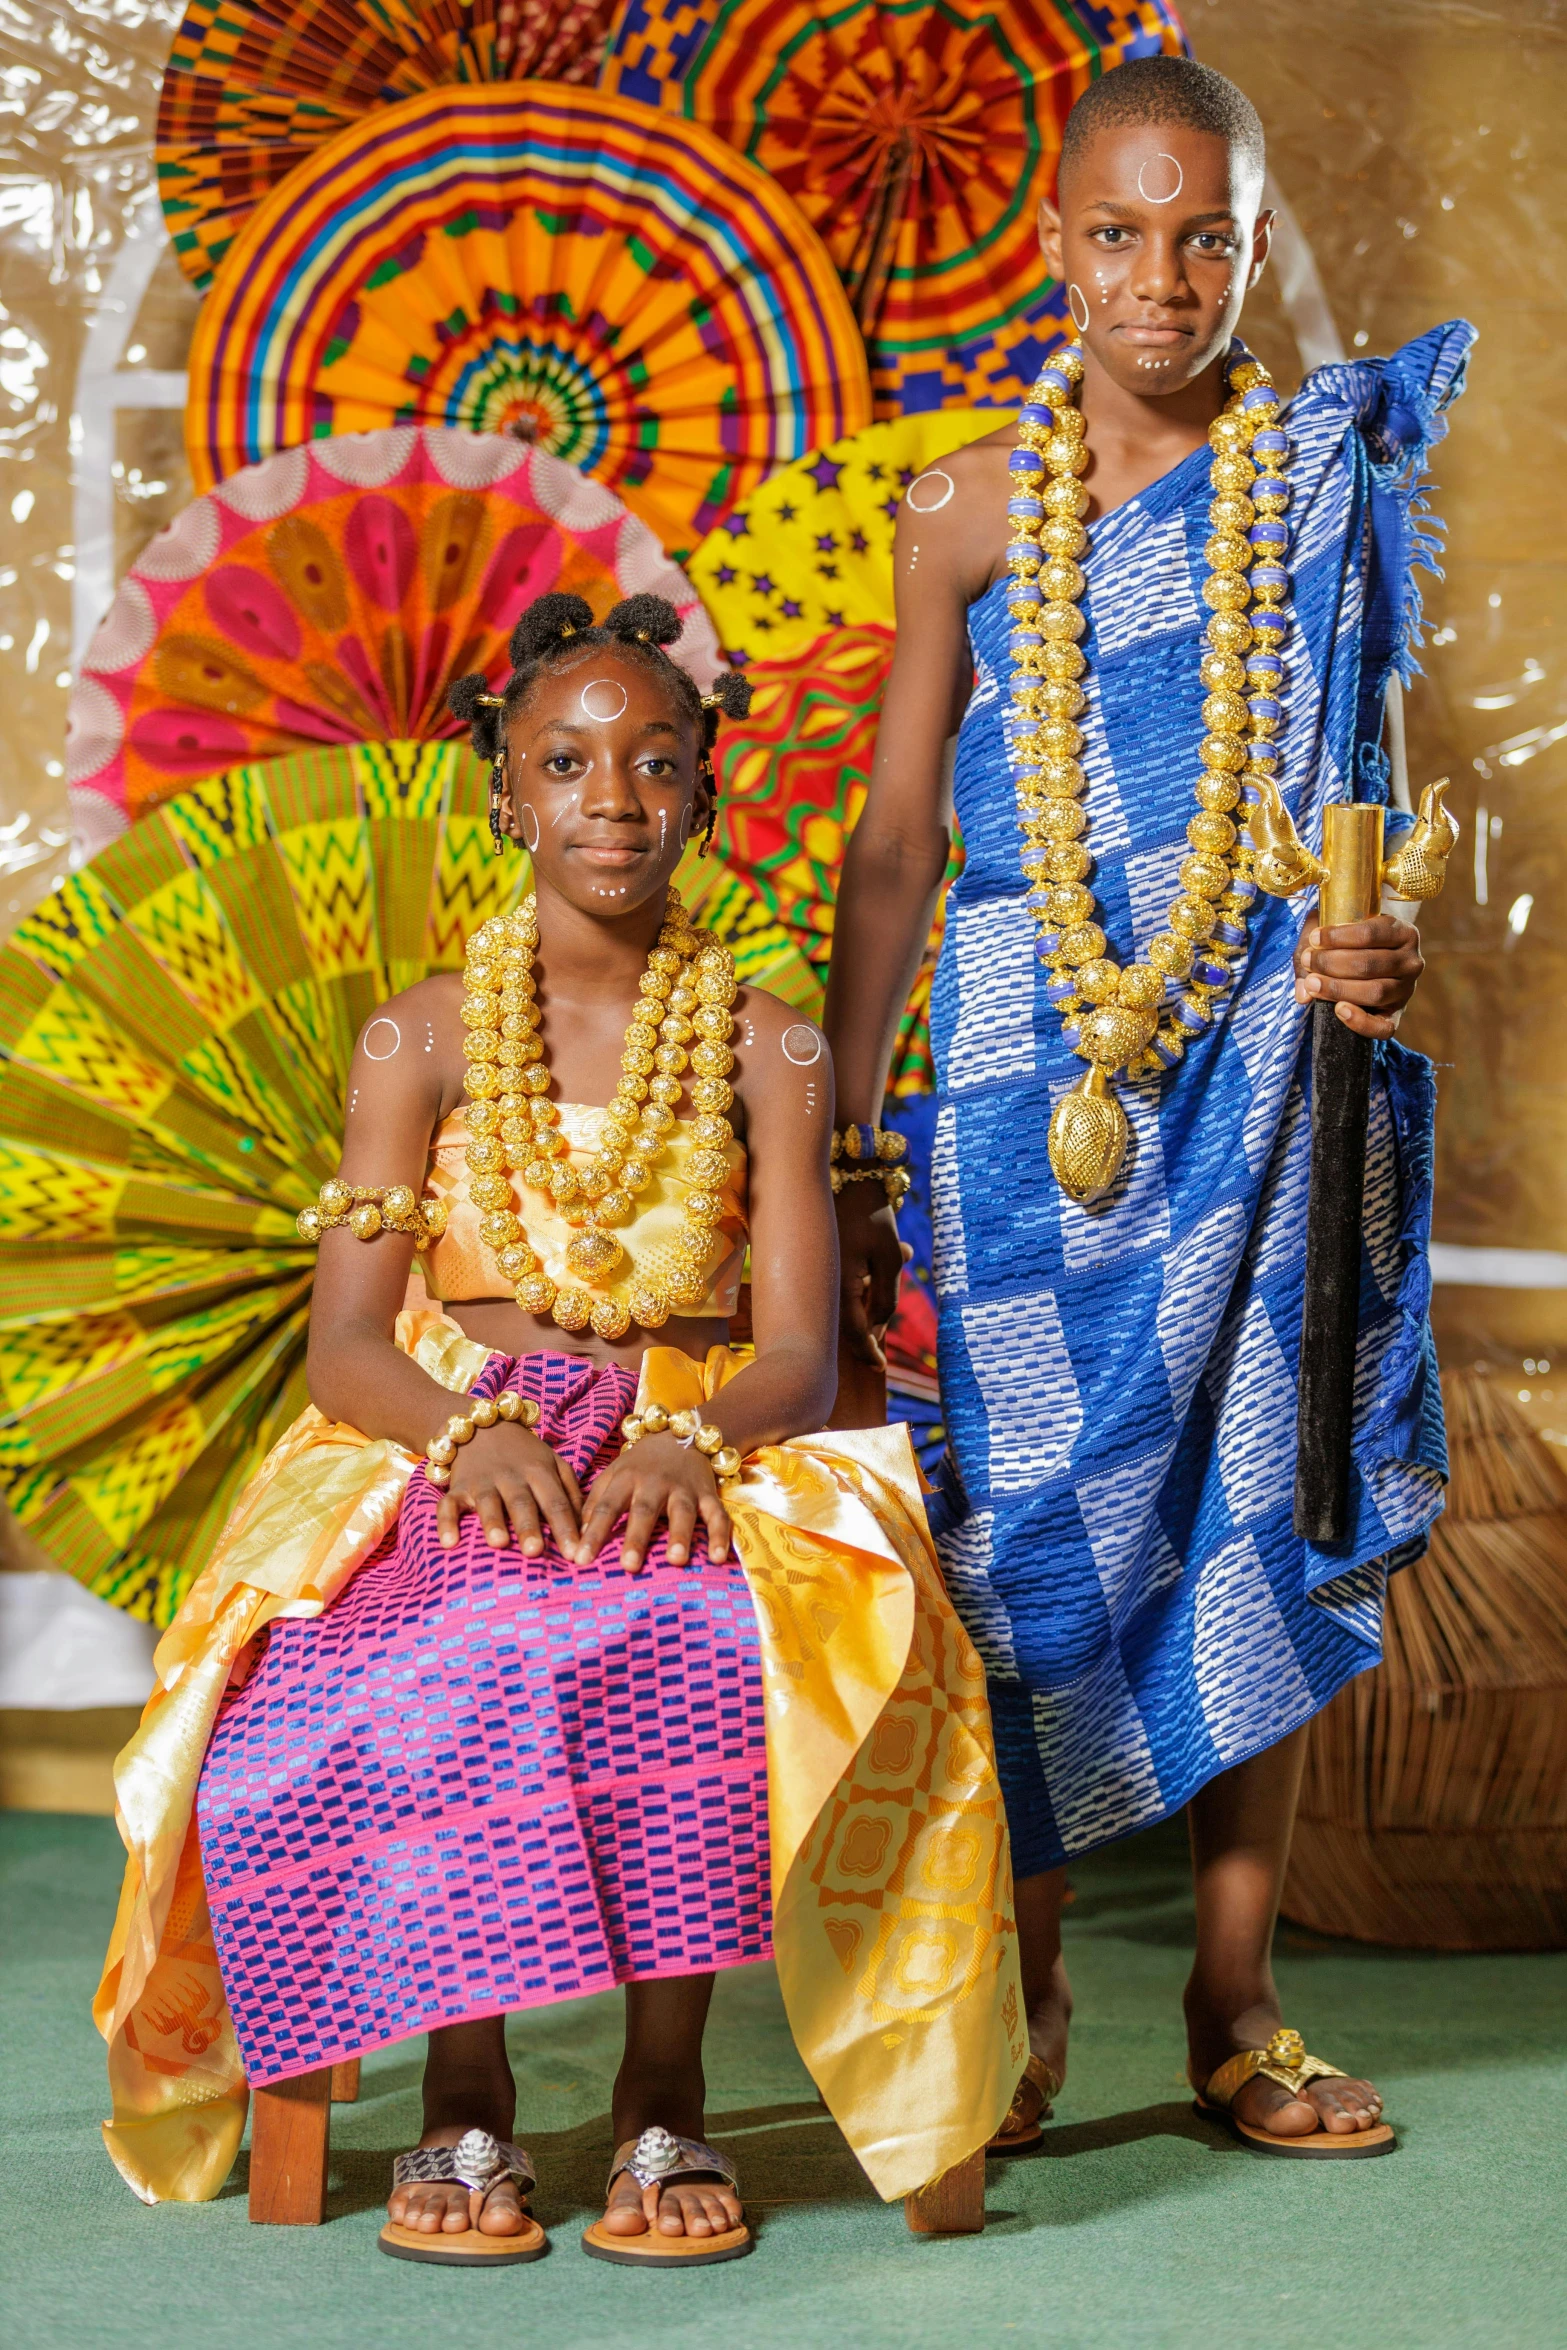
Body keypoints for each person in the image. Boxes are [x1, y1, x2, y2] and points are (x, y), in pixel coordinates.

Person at [94, 591, 1022, 2262]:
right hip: (452, 1430)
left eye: (654, 764)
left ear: (703, 796)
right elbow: (350, 1346)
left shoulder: (770, 1042)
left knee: (678, 1628)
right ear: (508, 794)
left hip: (700, 1429)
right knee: (440, 1642)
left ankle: (659, 2087)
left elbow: (803, 1349)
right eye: (570, 764)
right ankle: (469, 2089)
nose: (613, 798)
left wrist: (695, 1438)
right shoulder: (425, 1029)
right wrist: (465, 1435)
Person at [823, 53, 1469, 2158]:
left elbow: (1356, 814)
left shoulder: (1323, 483)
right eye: (1119, 231)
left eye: (1203, 232)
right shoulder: (964, 507)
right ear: (1054, 245)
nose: (1161, 276)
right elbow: (900, 840)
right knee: (1019, 1534)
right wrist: (845, 1123)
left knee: (1246, 1499)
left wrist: (1372, 952)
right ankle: (1015, 1984)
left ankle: (1236, 1998)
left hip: (1261, 1052)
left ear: (1253, 242)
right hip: (1017, 1075)